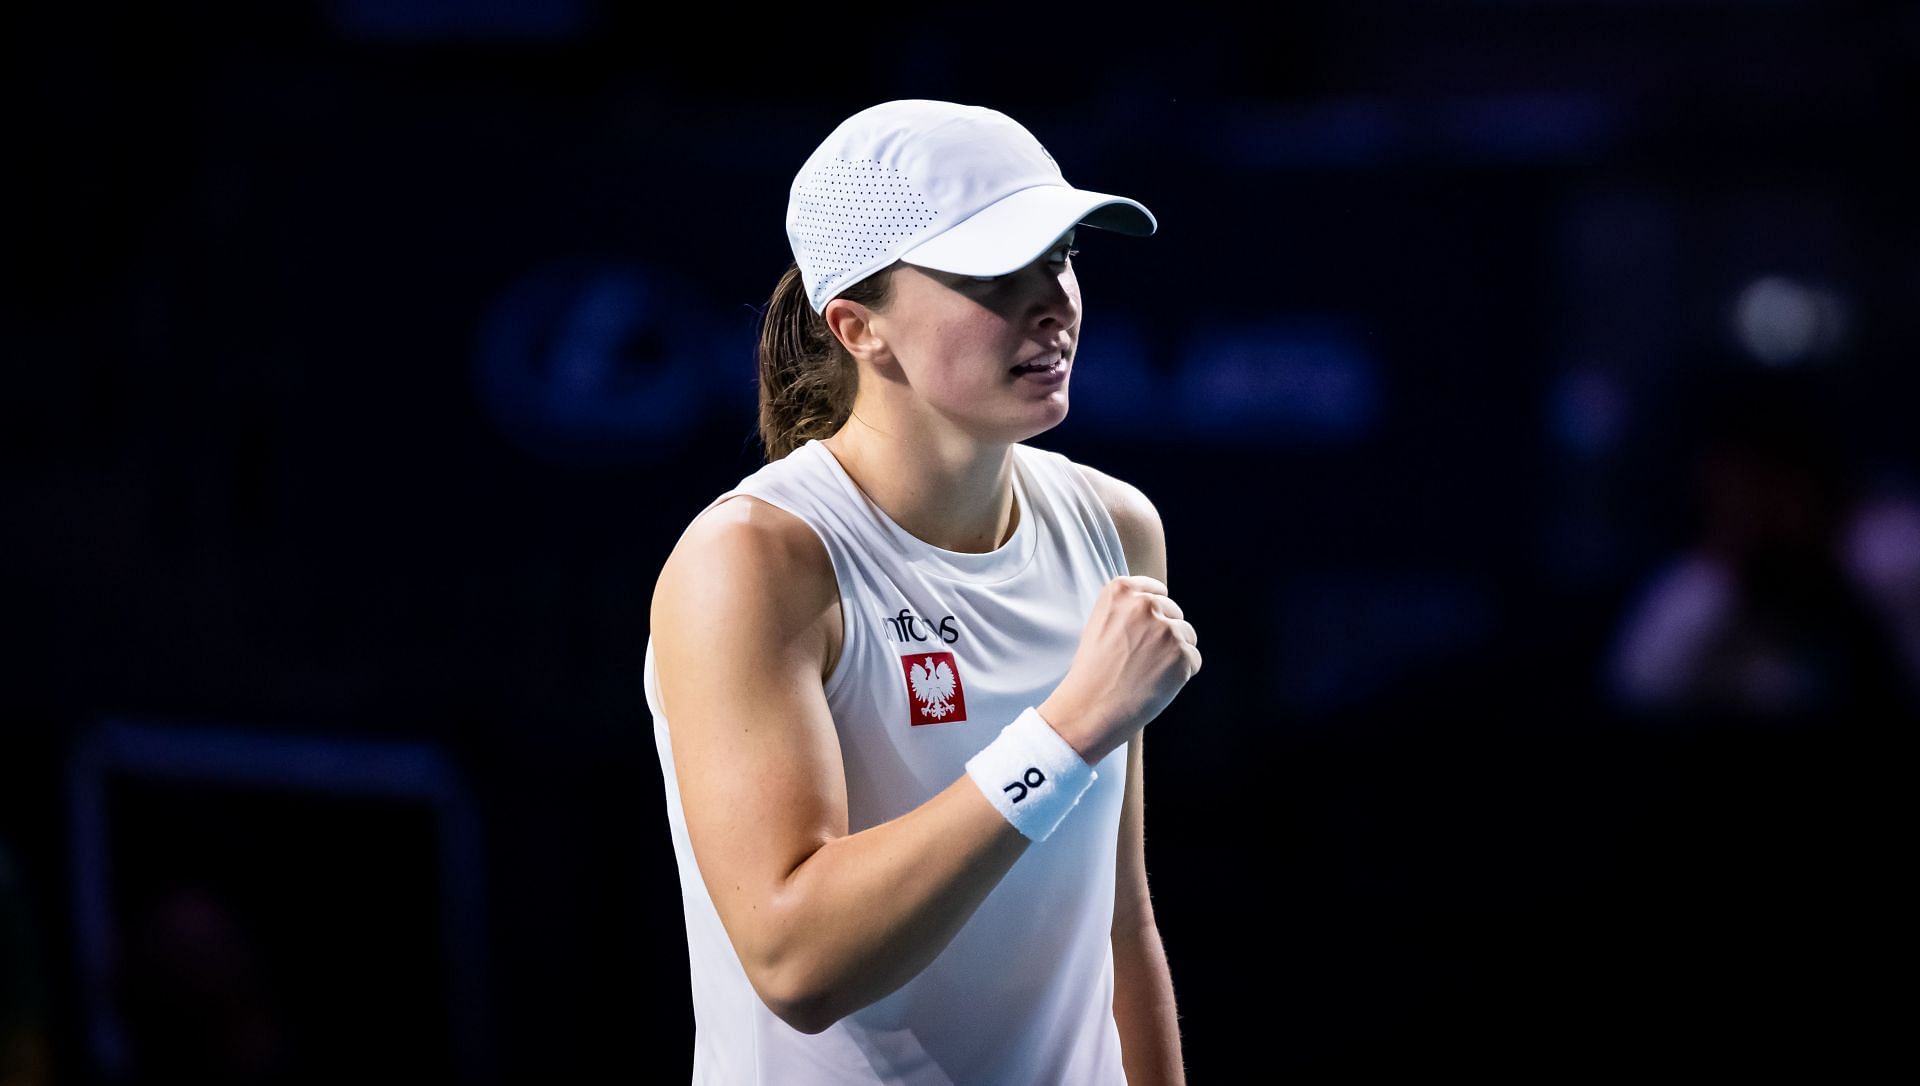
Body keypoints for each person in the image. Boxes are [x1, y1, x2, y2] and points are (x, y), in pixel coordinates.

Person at [643, 99, 1200, 1084]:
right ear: (859, 328)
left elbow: (1120, 922)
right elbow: (796, 959)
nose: (1056, 300)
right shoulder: (751, 561)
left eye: (1063, 254)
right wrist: (1065, 732)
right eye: (995, 272)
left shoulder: (1118, 530)